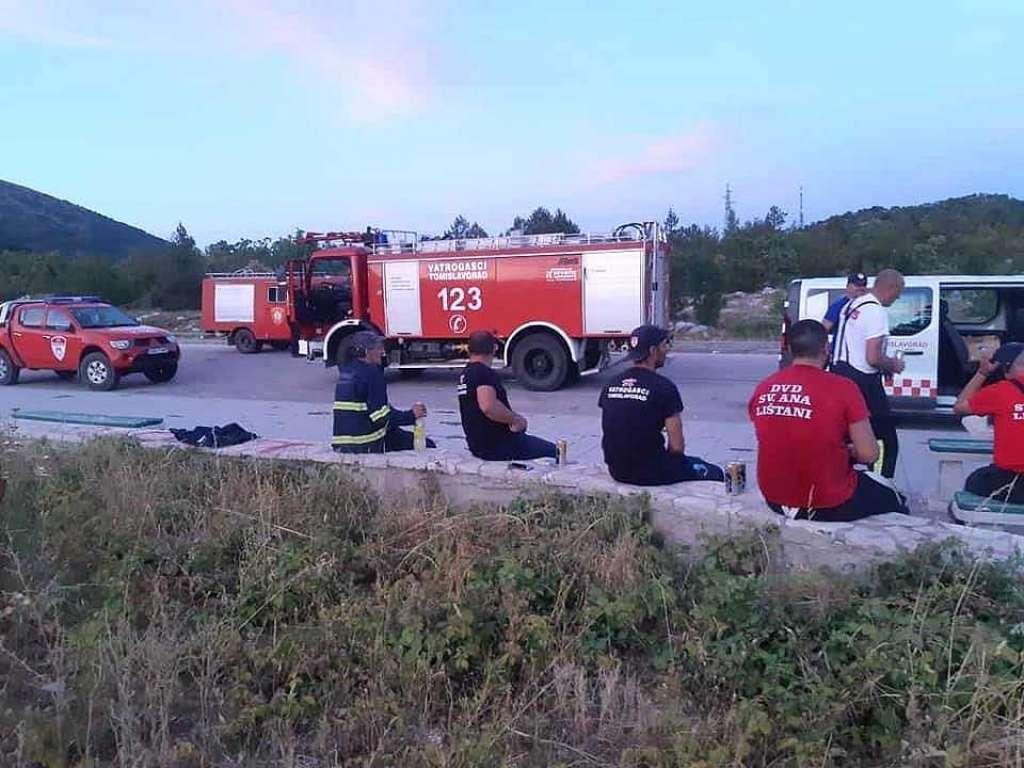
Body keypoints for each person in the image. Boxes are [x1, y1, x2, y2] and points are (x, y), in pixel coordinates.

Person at [749, 319, 909, 521]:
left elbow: (782, 435)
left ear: (789, 349)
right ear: (826, 348)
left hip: (774, 498)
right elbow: (869, 454)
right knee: (895, 499)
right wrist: (850, 451)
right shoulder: (843, 387)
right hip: (828, 502)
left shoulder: (764, 386)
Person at [598, 325, 724, 486]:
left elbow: (615, 425)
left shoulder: (611, 384)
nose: (667, 350)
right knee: (715, 472)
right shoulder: (664, 387)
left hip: (616, 471)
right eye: (664, 345)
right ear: (652, 350)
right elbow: (677, 447)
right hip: (652, 472)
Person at [830, 268, 905, 478]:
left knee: (845, 437)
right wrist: (893, 365)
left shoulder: (852, 304)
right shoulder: (876, 311)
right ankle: (883, 486)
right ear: (891, 288)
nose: (896, 299)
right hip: (863, 380)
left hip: (840, 374)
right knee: (886, 441)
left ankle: (840, 480)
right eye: (897, 295)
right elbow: (872, 357)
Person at [457, 330, 558, 460]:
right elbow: (488, 407)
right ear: (494, 348)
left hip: (479, 446)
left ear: (469, 349)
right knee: (555, 451)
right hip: (500, 445)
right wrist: (515, 420)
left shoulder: (465, 374)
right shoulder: (483, 372)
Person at [332, 331, 436, 453]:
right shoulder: (372, 373)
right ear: (366, 352)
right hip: (365, 443)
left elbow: (376, 410)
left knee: (400, 435)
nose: (382, 352)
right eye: (378, 348)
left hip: (342, 444)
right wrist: (411, 416)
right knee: (427, 445)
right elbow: (381, 417)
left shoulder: (348, 371)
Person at [952, 344, 1024, 503]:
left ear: (1006, 368)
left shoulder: (1001, 391)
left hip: (1012, 481)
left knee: (975, 481)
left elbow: (959, 407)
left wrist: (982, 372)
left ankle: (968, 524)